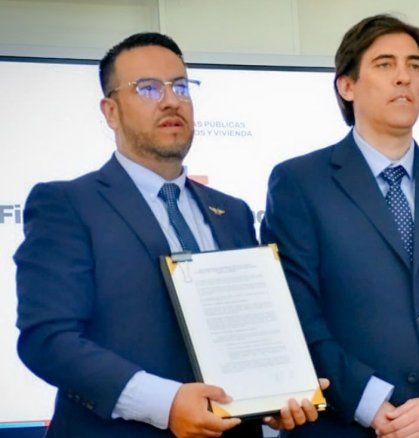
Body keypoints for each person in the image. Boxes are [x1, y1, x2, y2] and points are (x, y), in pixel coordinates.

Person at [15, 32, 324, 438]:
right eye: (147, 88)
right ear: (110, 111)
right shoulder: (67, 204)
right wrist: (166, 403)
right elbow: (47, 339)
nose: (171, 100)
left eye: (181, 86)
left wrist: (276, 398)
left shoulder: (232, 212)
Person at [260, 14, 419, 438]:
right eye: (385, 65)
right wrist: (369, 402)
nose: (404, 78)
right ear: (347, 85)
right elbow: (296, 314)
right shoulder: (299, 183)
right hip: (344, 425)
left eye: (415, 67)